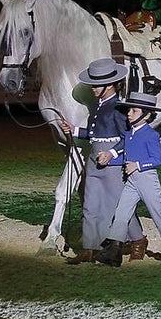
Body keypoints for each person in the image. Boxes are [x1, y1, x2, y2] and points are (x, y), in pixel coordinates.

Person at [57, 58, 147, 264]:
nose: (93, 88)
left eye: (97, 84)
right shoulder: (99, 106)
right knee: (90, 203)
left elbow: (129, 137)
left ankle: (138, 239)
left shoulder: (118, 108)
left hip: (112, 163)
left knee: (118, 204)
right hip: (94, 158)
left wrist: (113, 154)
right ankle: (91, 247)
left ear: (111, 85)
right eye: (93, 84)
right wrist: (75, 130)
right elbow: (96, 132)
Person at [94, 91, 161, 267]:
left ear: (147, 115)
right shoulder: (129, 135)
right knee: (121, 213)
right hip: (132, 180)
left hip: (146, 179)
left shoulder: (151, 135)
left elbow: (158, 160)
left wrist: (138, 165)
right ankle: (114, 251)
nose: (129, 113)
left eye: (134, 111)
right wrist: (109, 158)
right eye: (129, 110)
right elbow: (127, 156)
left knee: (157, 214)